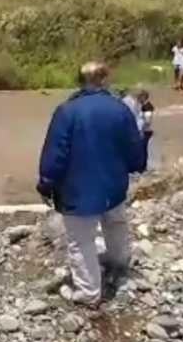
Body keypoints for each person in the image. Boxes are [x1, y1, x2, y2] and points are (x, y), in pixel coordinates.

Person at [37, 62, 149, 306]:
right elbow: (135, 157)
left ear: (80, 81)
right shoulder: (120, 110)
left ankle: (89, 292)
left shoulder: (67, 111)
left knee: (81, 241)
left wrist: (46, 184)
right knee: (116, 224)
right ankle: (119, 266)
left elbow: (55, 154)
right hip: (114, 187)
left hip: (79, 191)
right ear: (105, 80)